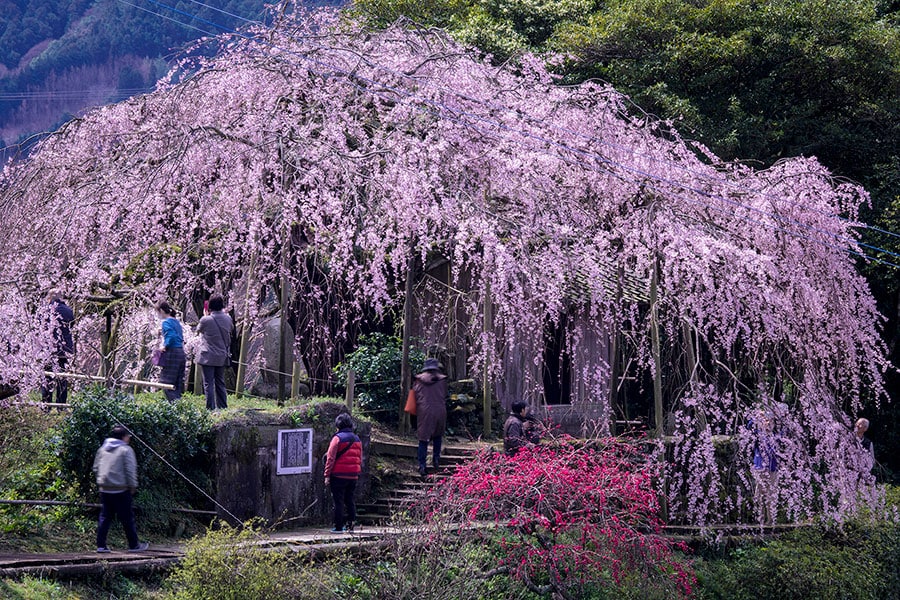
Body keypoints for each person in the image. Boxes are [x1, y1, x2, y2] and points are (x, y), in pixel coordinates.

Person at [93, 425, 149, 553]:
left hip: (105, 488)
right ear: (123, 437)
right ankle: (134, 545)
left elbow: (96, 467)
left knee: (105, 517)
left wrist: (101, 481)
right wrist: (133, 486)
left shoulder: (103, 449)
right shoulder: (126, 450)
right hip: (121, 489)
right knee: (127, 518)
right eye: (128, 436)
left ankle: (101, 545)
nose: (129, 438)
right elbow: (130, 470)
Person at [324, 413, 363, 533]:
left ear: (338, 425)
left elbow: (330, 458)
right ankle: (351, 526)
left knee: (338, 501)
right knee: (350, 500)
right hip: (353, 476)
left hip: (338, 475)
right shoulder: (357, 439)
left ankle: (338, 526)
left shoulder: (337, 438)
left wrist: (327, 475)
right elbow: (360, 458)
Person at [196, 294, 233, 410]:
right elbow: (230, 330)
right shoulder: (228, 318)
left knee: (208, 383)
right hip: (221, 356)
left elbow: (199, 330)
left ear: (210, 306)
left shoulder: (205, 320)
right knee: (220, 382)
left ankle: (210, 408)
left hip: (208, 356)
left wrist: (205, 315)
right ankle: (223, 406)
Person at [413, 358, 448, 476]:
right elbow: (444, 395)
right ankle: (436, 459)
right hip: (440, 410)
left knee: (423, 439)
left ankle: (422, 465)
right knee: (438, 436)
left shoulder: (418, 380)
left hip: (424, 411)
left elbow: (415, 395)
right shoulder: (442, 380)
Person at [42, 295, 75, 404]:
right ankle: (61, 404)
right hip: (64, 349)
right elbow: (72, 325)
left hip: (49, 348)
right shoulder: (69, 311)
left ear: (50, 298)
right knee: (62, 377)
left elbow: (40, 326)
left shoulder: (46, 309)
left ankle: (46, 404)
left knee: (47, 376)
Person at [155, 301, 186, 402]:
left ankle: (175, 406)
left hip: (172, 353)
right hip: (180, 352)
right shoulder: (176, 321)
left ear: (162, 311)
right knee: (177, 383)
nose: (158, 315)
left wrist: (164, 346)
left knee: (166, 383)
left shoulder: (166, 322)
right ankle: (181, 407)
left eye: (158, 312)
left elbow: (171, 336)